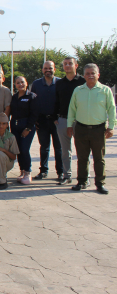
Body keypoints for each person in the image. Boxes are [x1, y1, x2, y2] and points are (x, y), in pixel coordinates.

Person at [67, 64, 116, 195]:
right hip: (81, 129)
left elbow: (111, 109)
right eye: (88, 73)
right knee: (82, 158)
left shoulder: (105, 90)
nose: (90, 75)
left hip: (99, 130)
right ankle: (81, 182)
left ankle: (100, 183)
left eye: (93, 73)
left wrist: (111, 127)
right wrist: (69, 125)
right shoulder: (78, 90)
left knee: (99, 158)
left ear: (98, 75)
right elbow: (72, 109)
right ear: (84, 75)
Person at [54, 57, 86, 185]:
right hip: (63, 120)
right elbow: (56, 101)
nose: (67, 66)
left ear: (76, 65)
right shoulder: (60, 83)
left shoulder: (83, 82)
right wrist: (55, 118)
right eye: (65, 64)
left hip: (80, 120)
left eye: (70, 63)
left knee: (82, 151)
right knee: (65, 150)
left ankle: (84, 176)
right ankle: (67, 175)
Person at [30, 61, 63, 181]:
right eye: (45, 68)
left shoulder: (60, 83)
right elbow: (33, 102)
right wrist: (35, 120)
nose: (48, 70)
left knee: (58, 148)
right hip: (42, 121)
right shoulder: (36, 84)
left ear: (54, 69)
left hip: (57, 122)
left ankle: (61, 172)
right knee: (44, 147)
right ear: (42, 70)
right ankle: (43, 171)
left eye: (50, 68)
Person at [8, 76, 37, 184]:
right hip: (15, 125)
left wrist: (28, 128)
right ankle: (22, 171)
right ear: (15, 85)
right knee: (18, 150)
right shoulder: (14, 97)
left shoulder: (31, 96)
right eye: (18, 83)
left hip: (26, 126)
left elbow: (34, 115)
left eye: (22, 82)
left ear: (26, 83)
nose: (20, 84)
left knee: (24, 149)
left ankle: (28, 172)